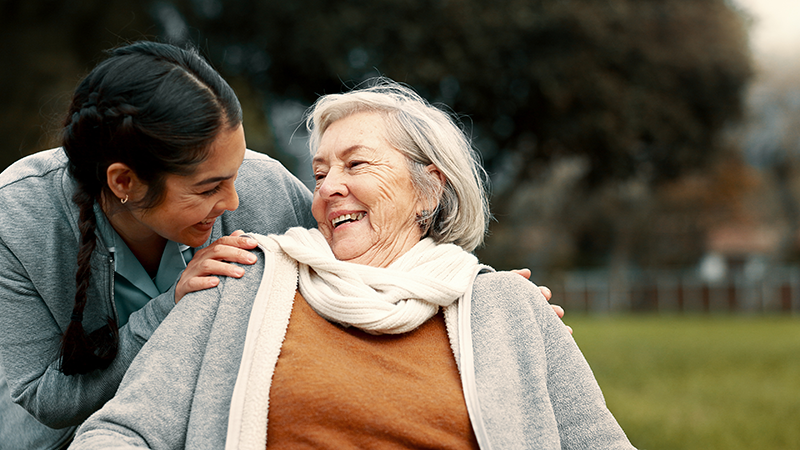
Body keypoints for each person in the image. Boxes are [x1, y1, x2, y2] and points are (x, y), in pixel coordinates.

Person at [69, 79, 633, 449]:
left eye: (356, 164)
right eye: (318, 174)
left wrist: (518, 315)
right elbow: (124, 432)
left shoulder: (505, 307)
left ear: (428, 188)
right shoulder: (243, 281)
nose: (330, 188)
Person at [0, 41, 315, 449]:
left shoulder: (265, 187)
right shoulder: (17, 217)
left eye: (235, 173)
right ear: (123, 182)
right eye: (208, 189)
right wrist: (172, 306)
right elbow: (47, 399)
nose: (233, 202)